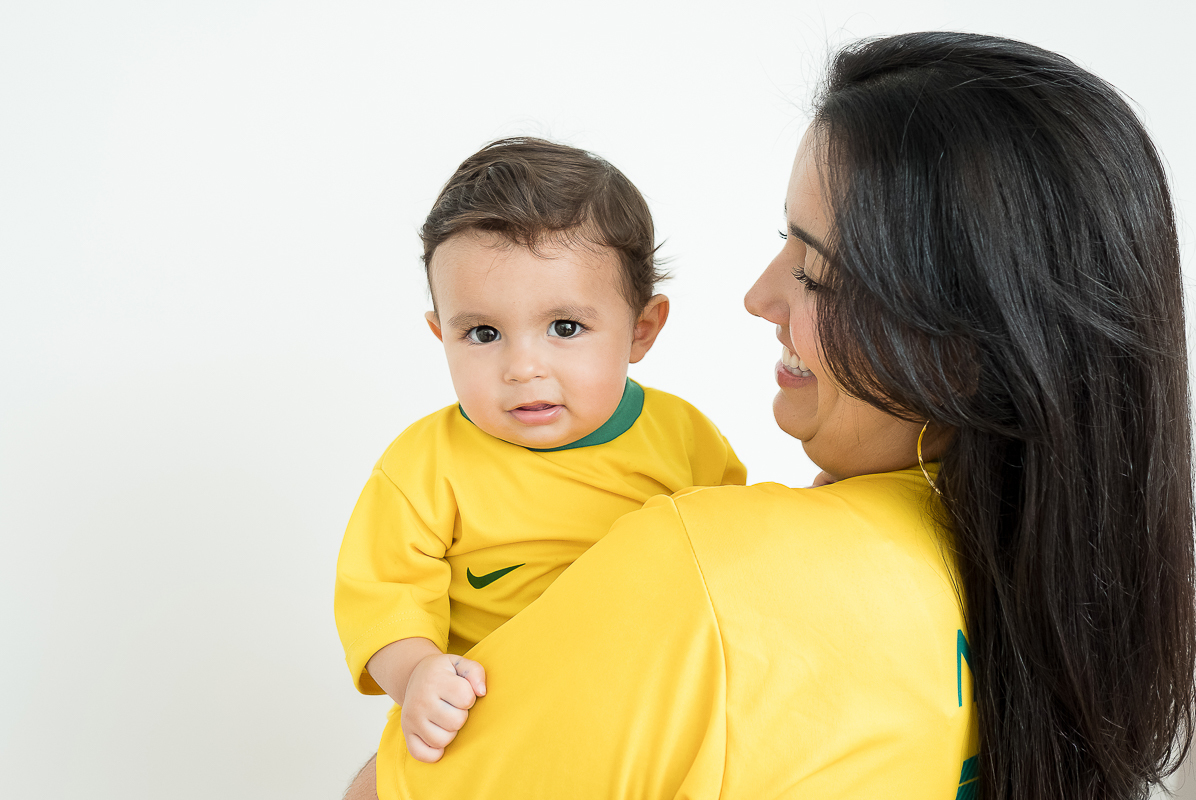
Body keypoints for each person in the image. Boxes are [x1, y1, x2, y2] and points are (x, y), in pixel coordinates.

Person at [344, 32, 1195, 800]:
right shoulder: (1063, 587)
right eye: (482, 332)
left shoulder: (705, 560)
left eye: (816, 269)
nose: (758, 295)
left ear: (965, 345)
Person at [334, 138, 747, 763]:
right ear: (440, 334)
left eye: (565, 328)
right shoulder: (423, 467)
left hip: (647, 724)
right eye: (482, 333)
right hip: (493, 730)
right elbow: (382, 601)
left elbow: (735, 555)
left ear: (642, 329)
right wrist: (419, 674)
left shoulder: (686, 439)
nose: (522, 368)